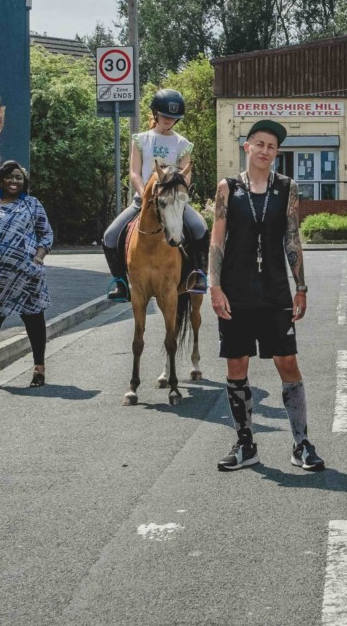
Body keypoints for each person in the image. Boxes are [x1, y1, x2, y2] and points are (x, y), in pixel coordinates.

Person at [208, 119, 323, 473]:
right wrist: (214, 286)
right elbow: (217, 240)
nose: (264, 150)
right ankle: (245, 443)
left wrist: (300, 287)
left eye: (271, 146)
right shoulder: (227, 188)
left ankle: (301, 443)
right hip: (236, 291)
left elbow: (292, 237)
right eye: (259, 143)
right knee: (236, 364)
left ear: (277, 153)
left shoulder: (287, 188)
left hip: (275, 292)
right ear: (247, 147)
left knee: (287, 362)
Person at [102, 89, 209, 303]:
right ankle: (121, 283)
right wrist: (145, 196)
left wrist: (175, 195)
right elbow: (134, 172)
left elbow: (186, 176)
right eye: (165, 116)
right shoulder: (141, 139)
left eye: (173, 118)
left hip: (172, 202)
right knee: (110, 236)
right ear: (155, 113)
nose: (169, 120)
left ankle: (197, 275)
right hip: (142, 201)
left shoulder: (182, 143)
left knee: (199, 228)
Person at [0, 161, 54, 389]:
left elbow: (46, 234)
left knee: (34, 320)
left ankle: (39, 369)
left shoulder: (32, 205)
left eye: (19, 177)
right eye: (10, 177)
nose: (15, 181)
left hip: (28, 274)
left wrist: (37, 259)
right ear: (0, 180)